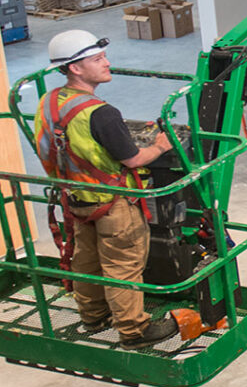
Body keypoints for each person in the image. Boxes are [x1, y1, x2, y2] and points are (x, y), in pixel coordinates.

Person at [34, 30, 178, 347]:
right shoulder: (102, 113)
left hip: (75, 198)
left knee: (86, 258)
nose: (107, 63)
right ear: (75, 67)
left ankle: (93, 315)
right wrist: (159, 147)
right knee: (124, 266)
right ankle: (134, 331)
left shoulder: (49, 102)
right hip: (113, 204)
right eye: (98, 59)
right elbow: (133, 158)